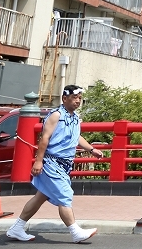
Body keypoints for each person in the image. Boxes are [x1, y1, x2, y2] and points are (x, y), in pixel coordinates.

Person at [6, 85, 105, 243]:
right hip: (52, 162)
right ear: (64, 98)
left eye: (80, 98)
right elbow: (44, 138)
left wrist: (91, 149)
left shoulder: (74, 117)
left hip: (64, 165)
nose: (78, 101)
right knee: (65, 196)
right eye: (74, 97)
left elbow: (76, 138)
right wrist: (38, 161)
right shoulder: (56, 115)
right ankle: (75, 232)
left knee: (40, 197)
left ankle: (16, 228)